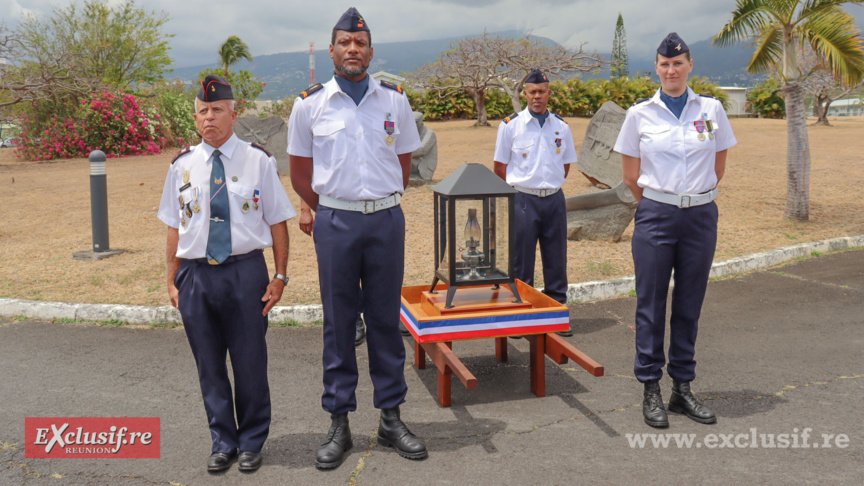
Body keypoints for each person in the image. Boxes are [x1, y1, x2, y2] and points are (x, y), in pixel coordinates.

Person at [287, 7, 428, 469]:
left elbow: (403, 166)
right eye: (345, 43)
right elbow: (301, 173)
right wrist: (332, 206)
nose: (353, 50)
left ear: (370, 50)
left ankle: (391, 418)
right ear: (332, 51)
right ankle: (339, 422)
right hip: (337, 224)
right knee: (340, 324)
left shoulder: (394, 100)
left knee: (386, 321)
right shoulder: (309, 104)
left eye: (360, 43)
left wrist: (378, 200)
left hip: (386, 221)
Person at [158, 74, 296, 472]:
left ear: (234, 114)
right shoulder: (181, 166)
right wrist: (171, 279)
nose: (209, 118)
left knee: (250, 361)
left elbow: (278, 221)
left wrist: (280, 276)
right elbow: (173, 225)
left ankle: (252, 440)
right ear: (196, 117)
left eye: (217, 110)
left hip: (245, 273)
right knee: (209, 365)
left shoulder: (259, 161)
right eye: (202, 111)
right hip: (196, 277)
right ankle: (223, 441)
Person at [613, 33, 736, 428]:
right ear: (657, 68)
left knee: (689, 304)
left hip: (700, 217)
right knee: (650, 304)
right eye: (664, 64)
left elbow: (718, 166)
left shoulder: (712, 109)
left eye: (678, 63)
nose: (671, 70)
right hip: (657, 217)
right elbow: (632, 176)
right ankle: (650, 387)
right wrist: (661, 202)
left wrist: (694, 196)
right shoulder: (639, 115)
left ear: (690, 66)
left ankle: (682, 388)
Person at [493, 68, 576, 337]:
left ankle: (557, 313)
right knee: (521, 261)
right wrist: (523, 187)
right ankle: (519, 317)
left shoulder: (561, 127)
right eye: (532, 92)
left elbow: (565, 165)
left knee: (556, 259)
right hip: (524, 200)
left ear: (549, 94)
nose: (537, 97)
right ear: (525, 94)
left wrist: (548, 184)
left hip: (554, 200)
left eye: (542, 92)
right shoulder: (510, 125)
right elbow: (500, 166)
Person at [299, 200, 366, 347]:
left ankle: (385, 319)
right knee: (342, 274)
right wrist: (306, 210)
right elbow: (308, 177)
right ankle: (354, 318)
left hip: (373, 212)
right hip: (336, 212)